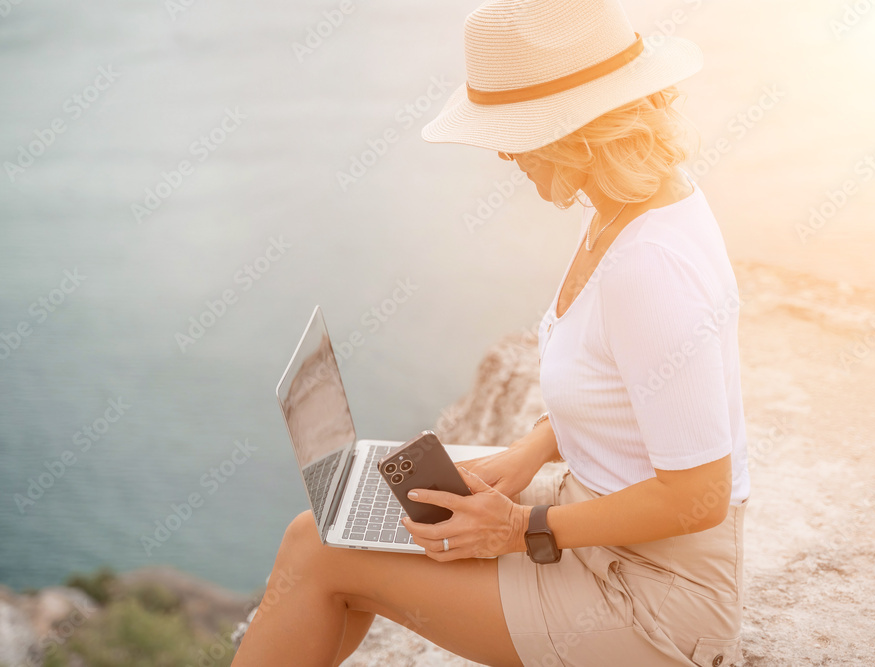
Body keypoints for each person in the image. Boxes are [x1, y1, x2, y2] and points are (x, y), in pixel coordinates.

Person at [232, 0, 750, 664]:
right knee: (341, 527)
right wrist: (533, 449)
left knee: (319, 551)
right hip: (607, 536)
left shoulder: (648, 265)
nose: (504, 151)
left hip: (653, 599)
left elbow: (700, 493)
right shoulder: (635, 209)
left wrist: (520, 528)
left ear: (580, 129)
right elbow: (636, 394)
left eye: (515, 130)